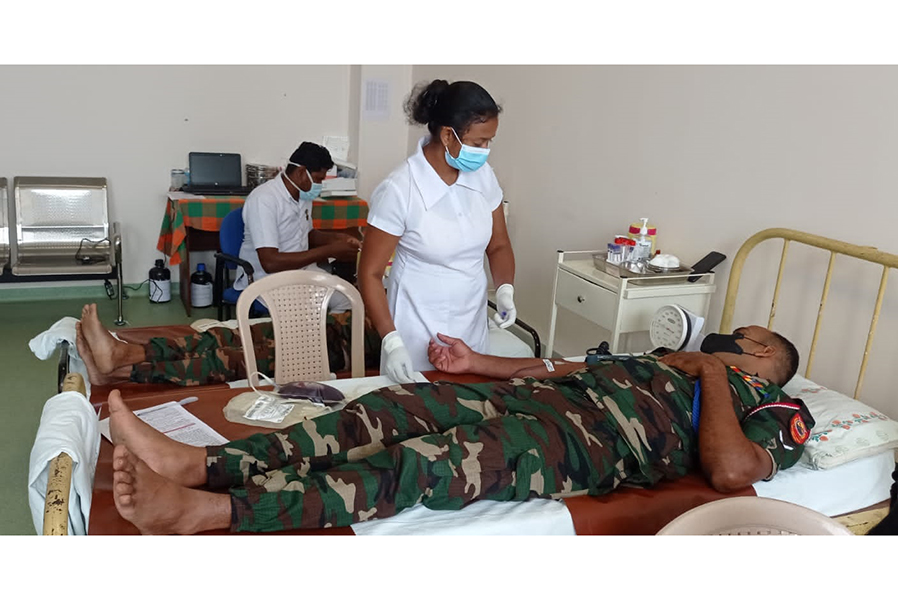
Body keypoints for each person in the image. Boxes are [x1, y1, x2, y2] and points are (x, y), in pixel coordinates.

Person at [107, 324, 814, 535]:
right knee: (384, 409)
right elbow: (563, 362)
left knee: (422, 465)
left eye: (744, 335)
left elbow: (732, 471)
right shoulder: (673, 361)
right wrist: (478, 363)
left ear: (763, 358)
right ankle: (208, 463)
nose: (729, 332)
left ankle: (213, 510)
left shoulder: (768, 401)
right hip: (546, 399)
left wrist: (711, 375)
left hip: (584, 445)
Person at [358, 80, 517, 384]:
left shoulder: (483, 177)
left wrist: (505, 288)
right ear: (447, 135)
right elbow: (370, 273)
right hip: (415, 327)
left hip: (471, 321)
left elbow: (498, 245)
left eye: (489, 142)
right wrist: (391, 341)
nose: (486, 152)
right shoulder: (399, 189)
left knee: (469, 407)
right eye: (479, 143)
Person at [74, 303, 382, 386]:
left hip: (359, 347)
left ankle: (122, 371)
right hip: (345, 324)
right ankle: (124, 354)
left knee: (239, 359)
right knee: (229, 336)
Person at [236, 141, 361, 312]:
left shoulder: (303, 196)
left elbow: (307, 234)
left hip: (302, 272)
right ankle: (308, 337)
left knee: (350, 301)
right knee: (310, 314)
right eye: (318, 179)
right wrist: (330, 250)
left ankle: (324, 338)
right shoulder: (264, 199)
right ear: (302, 172)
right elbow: (270, 262)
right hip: (268, 279)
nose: (319, 185)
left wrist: (337, 238)